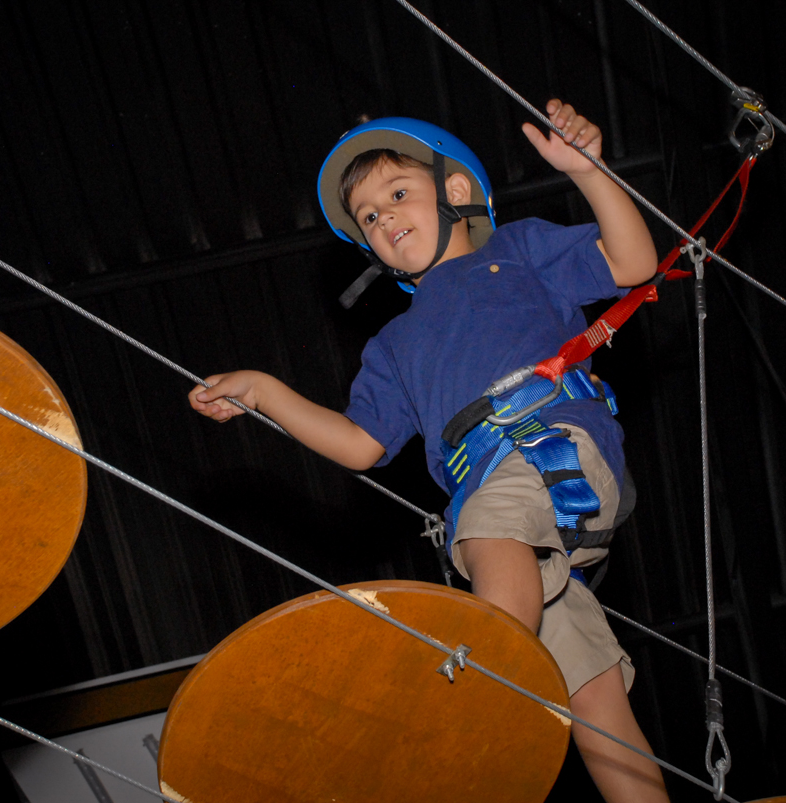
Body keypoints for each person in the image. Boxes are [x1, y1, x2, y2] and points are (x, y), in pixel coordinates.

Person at [189, 99, 668, 803]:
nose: (382, 218)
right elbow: (360, 444)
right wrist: (266, 391)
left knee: (487, 536)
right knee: (592, 693)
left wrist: (589, 172)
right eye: (367, 218)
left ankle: (470, 702)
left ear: (456, 190)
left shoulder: (518, 251)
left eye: (396, 194)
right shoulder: (392, 344)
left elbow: (633, 262)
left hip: (553, 449)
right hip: (504, 506)